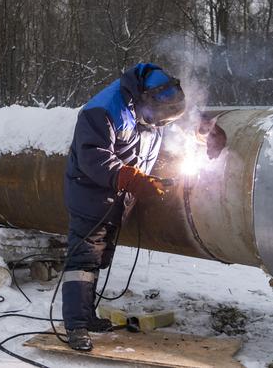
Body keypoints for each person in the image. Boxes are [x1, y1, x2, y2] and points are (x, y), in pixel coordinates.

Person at [62, 63, 186, 351]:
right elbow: (92, 156)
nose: (162, 124)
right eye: (159, 118)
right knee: (83, 261)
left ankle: (87, 315)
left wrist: (206, 130)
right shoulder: (103, 110)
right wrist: (132, 178)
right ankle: (76, 326)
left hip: (116, 198)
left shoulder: (155, 103)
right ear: (144, 99)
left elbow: (172, 120)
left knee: (98, 259)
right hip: (89, 195)